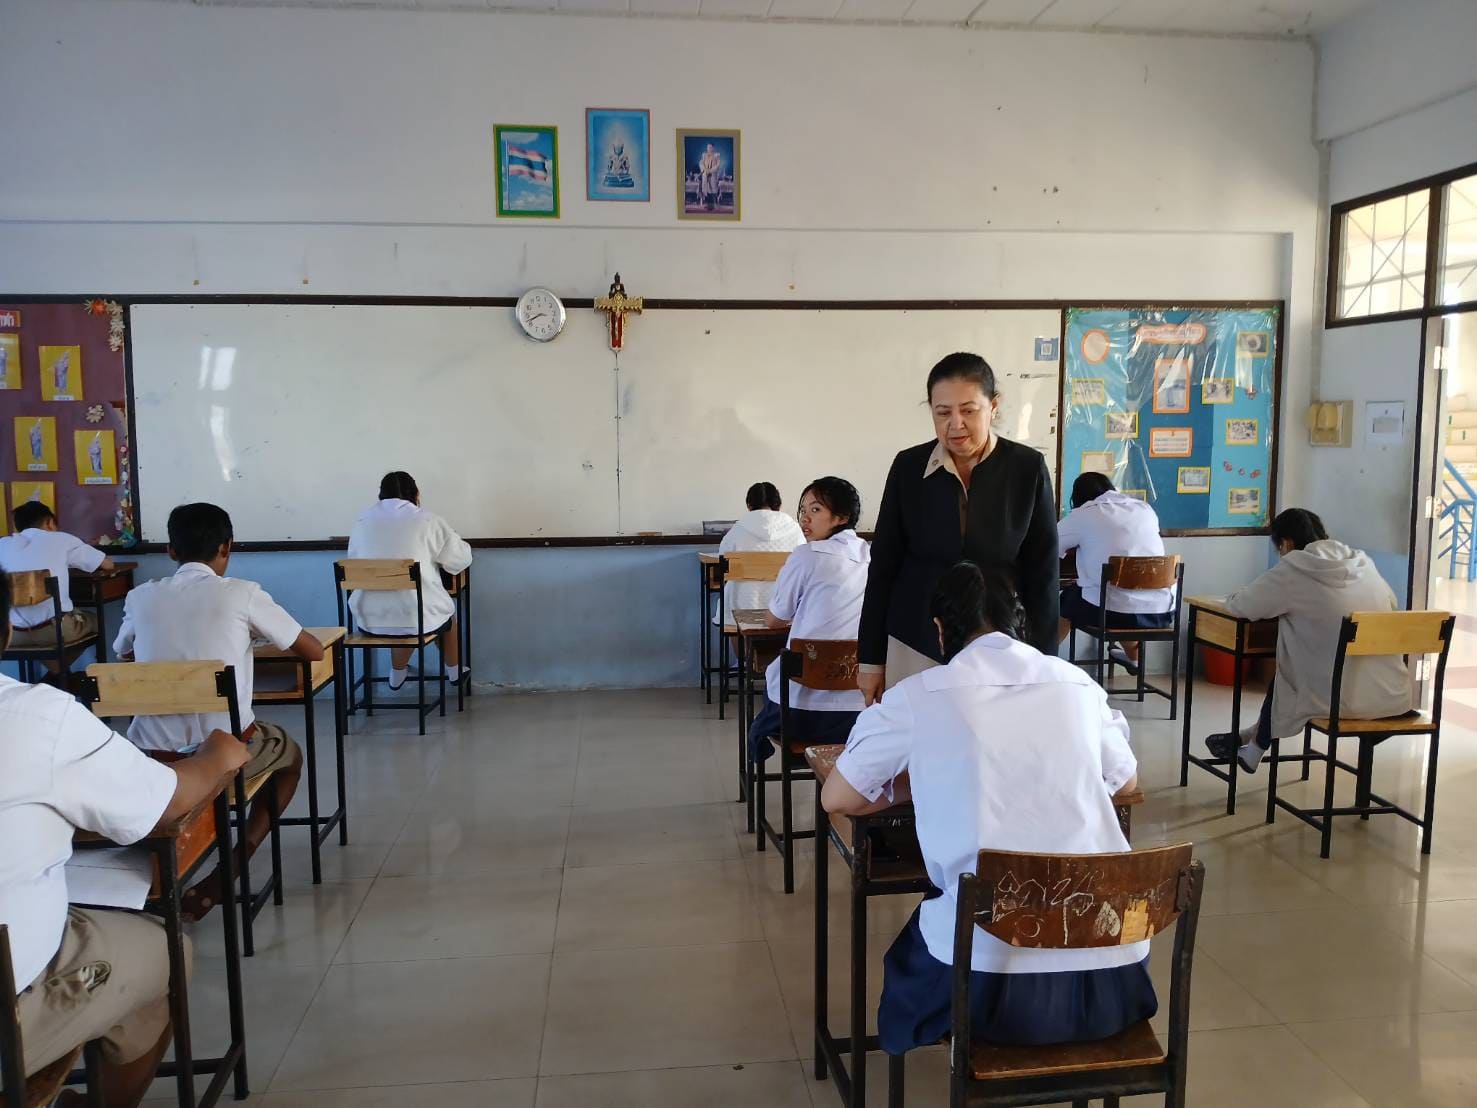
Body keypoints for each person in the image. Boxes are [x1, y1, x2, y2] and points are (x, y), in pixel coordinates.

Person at [822, 562, 1153, 1056]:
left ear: (940, 630)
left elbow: (838, 797)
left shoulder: (920, 695)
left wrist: (916, 780)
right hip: (1112, 977)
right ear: (1019, 622)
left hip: (986, 985)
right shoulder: (1077, 684)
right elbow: (1126, 781)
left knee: (913, 961)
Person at [0, 571, 250, 1108]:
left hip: (138, 740)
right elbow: (168, 802)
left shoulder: (141, 596)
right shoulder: (35, 718)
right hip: (12, 1005)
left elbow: (120, 651)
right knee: (165, 950)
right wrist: (219, 755)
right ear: (6, 632)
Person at [114, 502, 324, 919]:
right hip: (223, 758)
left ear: (171, 551)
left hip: (151, 759)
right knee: (289, 757)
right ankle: (226, 873)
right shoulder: (243, 594)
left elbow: (124, 652)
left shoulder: (141, 597)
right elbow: (313, 651)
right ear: (227, 547)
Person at [858, 352, 1058, 705]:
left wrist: (1044, 663)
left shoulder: (1026, 468)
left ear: (993, 406)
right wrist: (871, 659)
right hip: (916, 640)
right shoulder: (908, 468)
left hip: (1001, 644)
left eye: (968, 410)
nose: (955, 424)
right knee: (918, 734)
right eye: (943, 412)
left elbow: (1043, 575)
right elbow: (883, 568)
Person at [1204, 508, 1412, 773]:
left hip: (1339, 702)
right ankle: (1252, 741)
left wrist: (1236, 595)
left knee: (1290, 670)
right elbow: (1392, 603)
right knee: (1302, 665)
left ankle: (1254, 747)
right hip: (1392, 697)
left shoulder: (1294, 567)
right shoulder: (1363, 562)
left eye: (1279, 549)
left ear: (1286, 544)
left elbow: (1243, 605)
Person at [747, 477, 870, 763]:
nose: (804, 518)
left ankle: (758, 749)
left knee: (776, 675)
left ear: (842, 516)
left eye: (815, 510)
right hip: (859, 713)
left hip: (798, 714)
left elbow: (775, 620)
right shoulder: (871, 556)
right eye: (802, 510)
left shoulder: (806, 555)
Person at [347, 471, 472, 690]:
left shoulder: (361, 521)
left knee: (402, 612)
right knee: (439, 616)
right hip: (415, 616)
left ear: (380, 495)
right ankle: (454, 671)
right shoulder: (428, 520)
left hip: (368, 617)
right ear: (416, 493)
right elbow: (460, 559)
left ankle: (397, 673)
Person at [1056, 472, 1174, 666]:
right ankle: (1134, 659)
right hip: (1160, 611)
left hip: (1110, 612)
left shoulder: (1085, 513)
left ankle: (1044, 659)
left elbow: (1050, 544)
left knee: (1067, 600)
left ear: (1077, 498)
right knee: (1124, 597)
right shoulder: (1144, 509)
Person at [0, 500, 115, 672]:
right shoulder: (61, 539)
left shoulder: (3, 544)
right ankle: (60, 676)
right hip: (54, 631)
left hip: (11, 634)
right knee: (95, 620)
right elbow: (106, 565)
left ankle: (56, 677)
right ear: (49, 522)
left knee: (53, 633)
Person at [716, 481, 805, 619]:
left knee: (730, 591)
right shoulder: (795, 528)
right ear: (778, 504)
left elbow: (722, 560)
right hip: (784, 606)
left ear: (749, 505)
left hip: (741, 606)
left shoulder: (738, 528)